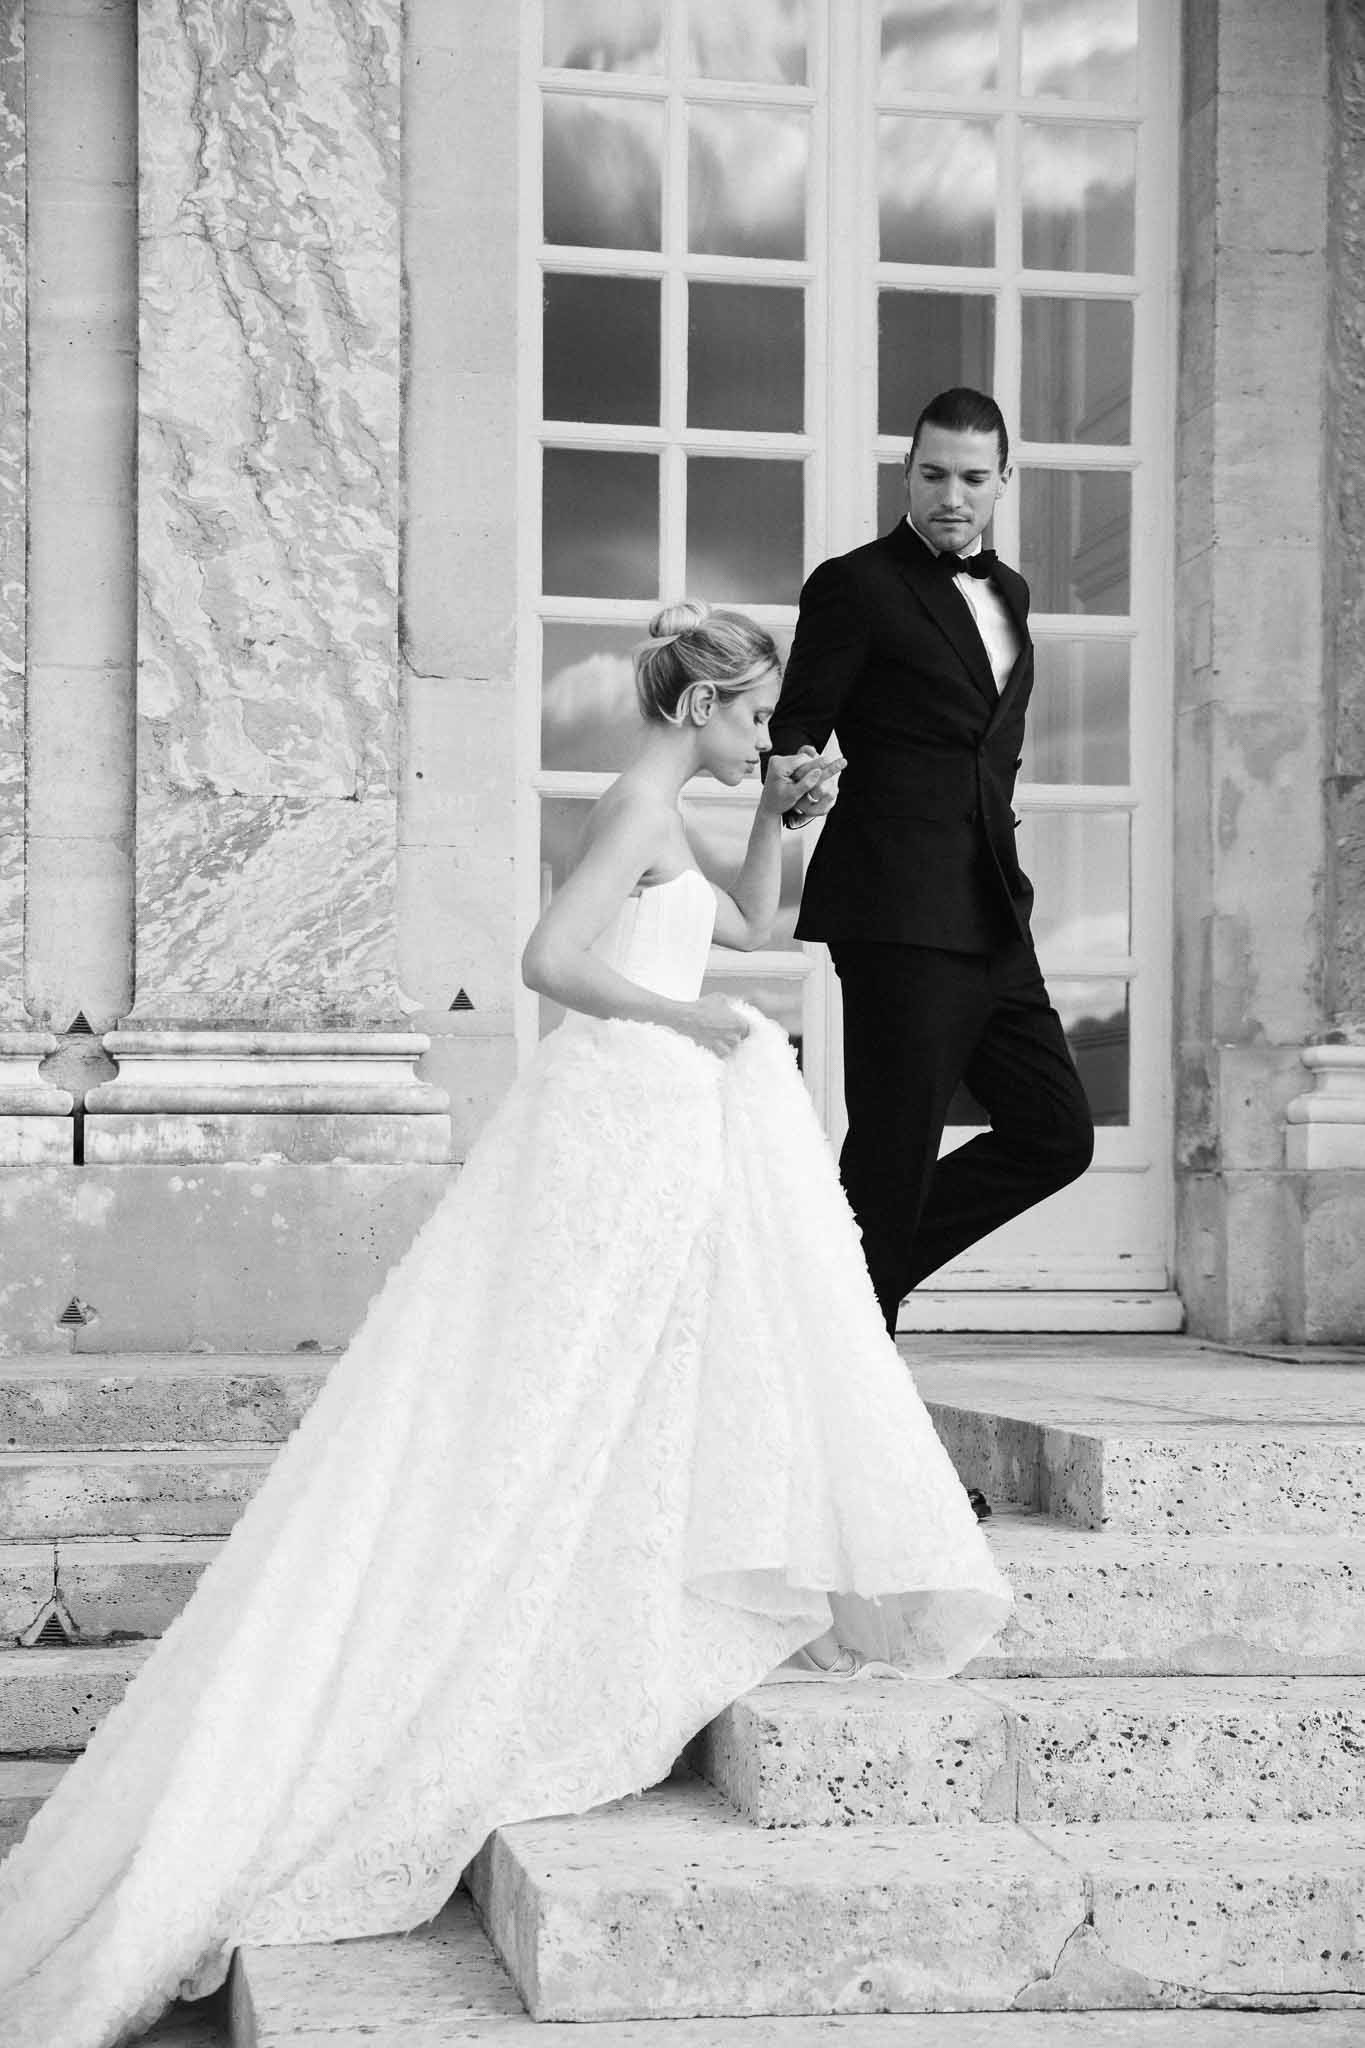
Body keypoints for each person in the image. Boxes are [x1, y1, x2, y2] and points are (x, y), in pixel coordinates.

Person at [0, 601, 1011, 2048]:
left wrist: (788, 819)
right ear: (701, 707)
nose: (767, 738)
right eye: (755, 720)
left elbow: (759, 927)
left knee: (651, 1374)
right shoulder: (636, 800)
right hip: (625, 1110)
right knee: (566, 1385)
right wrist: (694, 1028)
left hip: (665, 1119)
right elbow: (550, 961)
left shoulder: (679, 806)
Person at [770, 387, 1096, 1370]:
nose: (951, 495)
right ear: (907, 472)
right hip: (898, 908)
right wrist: (796, 779)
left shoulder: (1014, 595)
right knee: (892, 1159)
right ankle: (860, 1420)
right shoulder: (857, 585)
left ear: (1004, 482)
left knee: (1054, 1133)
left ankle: (836, 1276)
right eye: (932, 474)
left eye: (971, 477)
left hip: (996, 907)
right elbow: (796, 725)